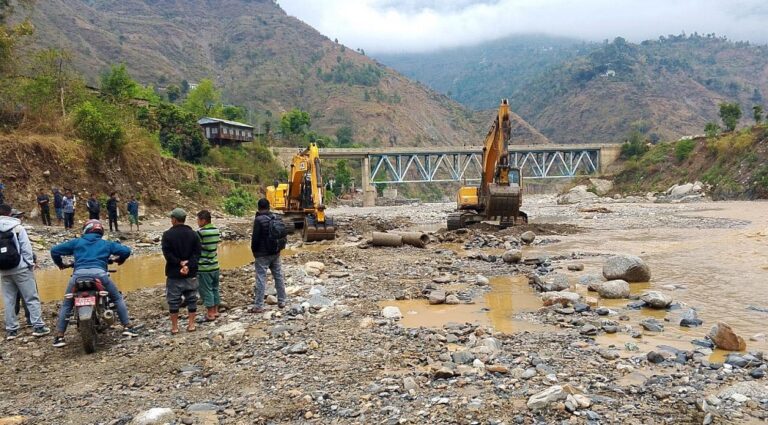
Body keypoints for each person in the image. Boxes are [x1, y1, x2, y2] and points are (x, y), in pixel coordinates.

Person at [50, 219, 138, 347]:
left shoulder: (77, 242)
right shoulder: (106, 244)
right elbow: (126, 251)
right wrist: (120, 260)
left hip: (77, 276)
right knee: (117, 298)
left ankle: (60, 336)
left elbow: (54, 250)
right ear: (100, 231)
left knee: (67, 303)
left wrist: (60, 264)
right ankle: (127, 327)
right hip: (100, 275)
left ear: (86, 230)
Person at [0, 204, 50, 340]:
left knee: (9, 300)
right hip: (20, 268)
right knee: (31, 298)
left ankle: (11, 330)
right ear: (9, 213)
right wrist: (29, 264)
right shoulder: (17, 228)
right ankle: (38, 326)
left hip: (3, 270)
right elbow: (26, 248)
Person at [161, 208, 201, 334]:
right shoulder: (194, 234)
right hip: (191, 272)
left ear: (174, 220)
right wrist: (188, 265)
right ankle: (191, 324)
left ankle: (175, 327)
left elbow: (167, 254)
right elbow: (197, 254)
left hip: (174, 273)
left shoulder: (167, 235)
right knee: (192, 298)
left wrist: (179, 263)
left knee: (173, 300)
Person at [250, 198, 286, 313]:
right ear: (269, 206)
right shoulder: (275, 217)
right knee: (278, 276)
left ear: (258, 207)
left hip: (262, 255)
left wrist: (254, 252)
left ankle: (259, 305)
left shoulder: (258, 220)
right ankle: (282, 301)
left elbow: (255, 239)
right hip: (275, 252)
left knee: (261, 278)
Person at [196, 210, 221, 322]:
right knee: (215, 288)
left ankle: (210, 314)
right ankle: (215, 311)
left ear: (203, 220)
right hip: (215, 264)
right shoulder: (216, 230)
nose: (197, 222)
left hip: (204, 267)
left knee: (206, 290)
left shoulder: (200, 232)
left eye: (198, 220)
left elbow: (196, 248)